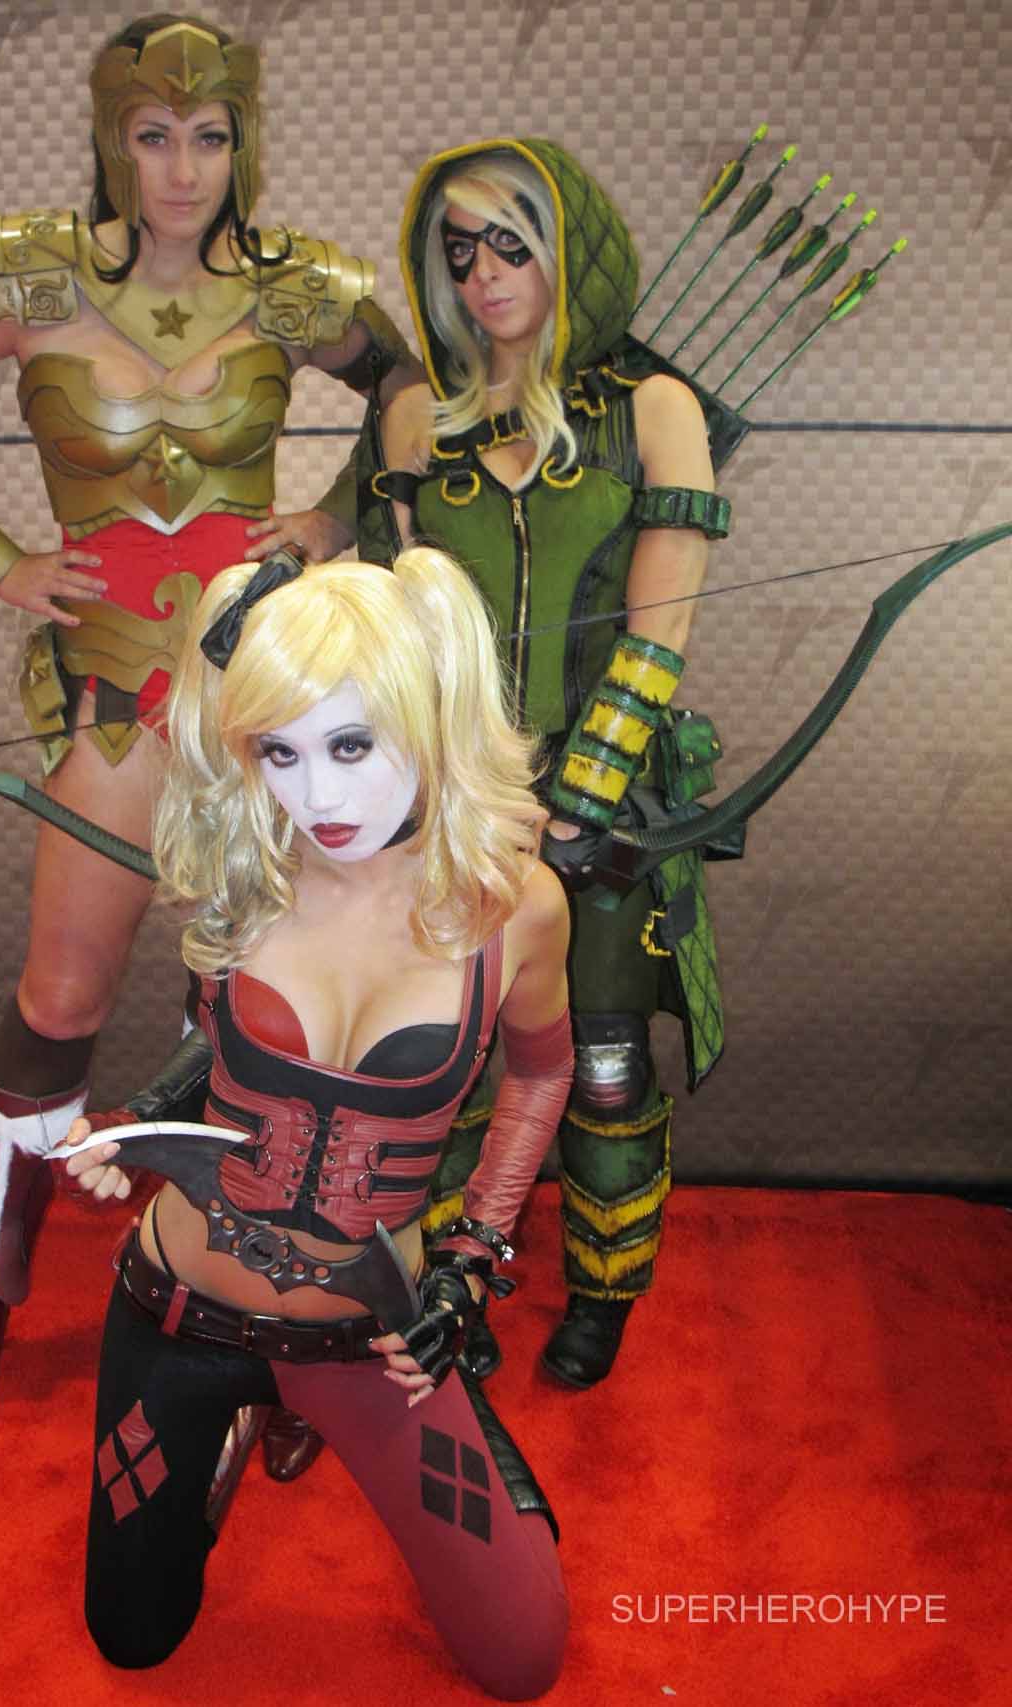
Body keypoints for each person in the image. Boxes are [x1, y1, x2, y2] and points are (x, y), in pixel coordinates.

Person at [0, 13, 416, 1432]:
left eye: (208, 137)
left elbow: (412, 396)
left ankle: (271, 1311)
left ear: (243, 143)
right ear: (114, 138)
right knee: (60, 1000)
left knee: (273, 1014)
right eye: (153, 135)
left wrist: (334, 516)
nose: (181, 169)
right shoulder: (27, 275)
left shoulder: (295, 288)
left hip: (262, 691)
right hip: (112, 691)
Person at [61, 548, 573, 1697]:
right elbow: (216, 1056)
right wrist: (133, 1125)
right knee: (131, 1636)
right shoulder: (247, 871)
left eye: (350, 746)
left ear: (429, 717)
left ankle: (343, 1418)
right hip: (178, 1313)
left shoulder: (513, 909)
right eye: (278, 753)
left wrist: (468, 1265)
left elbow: (541, 1076)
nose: (318, 799)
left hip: (368, 1340)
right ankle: (242, 1428)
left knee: (523, 1657)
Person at [370, 139, 733, 1389]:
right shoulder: (415, 415)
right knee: (446, 1058)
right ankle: (450, 1279)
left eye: (509, 244)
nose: (482, 275)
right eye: (458, 250)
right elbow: (390, 612)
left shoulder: (651, 407)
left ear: (565, 247)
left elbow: (660, 628)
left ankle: (601, 1290)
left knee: (606, 1065)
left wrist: (578, 799)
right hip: (448, 799)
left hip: (608, 806)